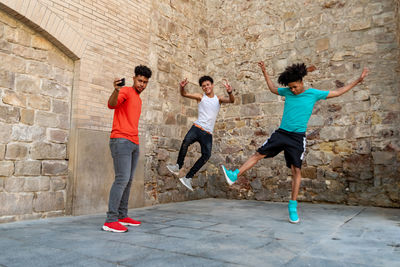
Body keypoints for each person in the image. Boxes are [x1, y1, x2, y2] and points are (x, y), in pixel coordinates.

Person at [222, 61, 369, 223]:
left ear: (301, 82)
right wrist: (264, 71)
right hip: (282, 133)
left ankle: (292, 207)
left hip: (297, 138)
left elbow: (338, 91)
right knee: (258, 154)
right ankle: (234, 175)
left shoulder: (313, 93)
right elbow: (272, 89)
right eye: (290, 88)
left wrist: (358, 80)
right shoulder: (287, 92)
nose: (292, 90)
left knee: (296, 171)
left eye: (294, 87)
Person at [102, 65, 152, 233]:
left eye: (145, 82)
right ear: (133, 79)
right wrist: (116, 90)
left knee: (128, 180)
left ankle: (123, 216)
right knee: (121, 179)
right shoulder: (125, 92)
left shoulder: (138, 99)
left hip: (134, 142)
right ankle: (110, 220)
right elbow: (111, 104)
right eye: (140, 81)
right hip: (121, 140)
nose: (142, 85)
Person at [167, 76, 235, 191]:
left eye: (208, 85)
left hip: (208, 133)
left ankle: (188, 178)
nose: (206, 87)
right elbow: (184, 94)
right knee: (186, 142)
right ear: (202, 88)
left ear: (212, 85)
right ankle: (178, 166)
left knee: (206, 155)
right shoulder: (200, 97)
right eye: (203, 86)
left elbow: (232, 100)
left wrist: (230, 92)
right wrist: (181, 88)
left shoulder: (218, 99)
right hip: (197, 128)